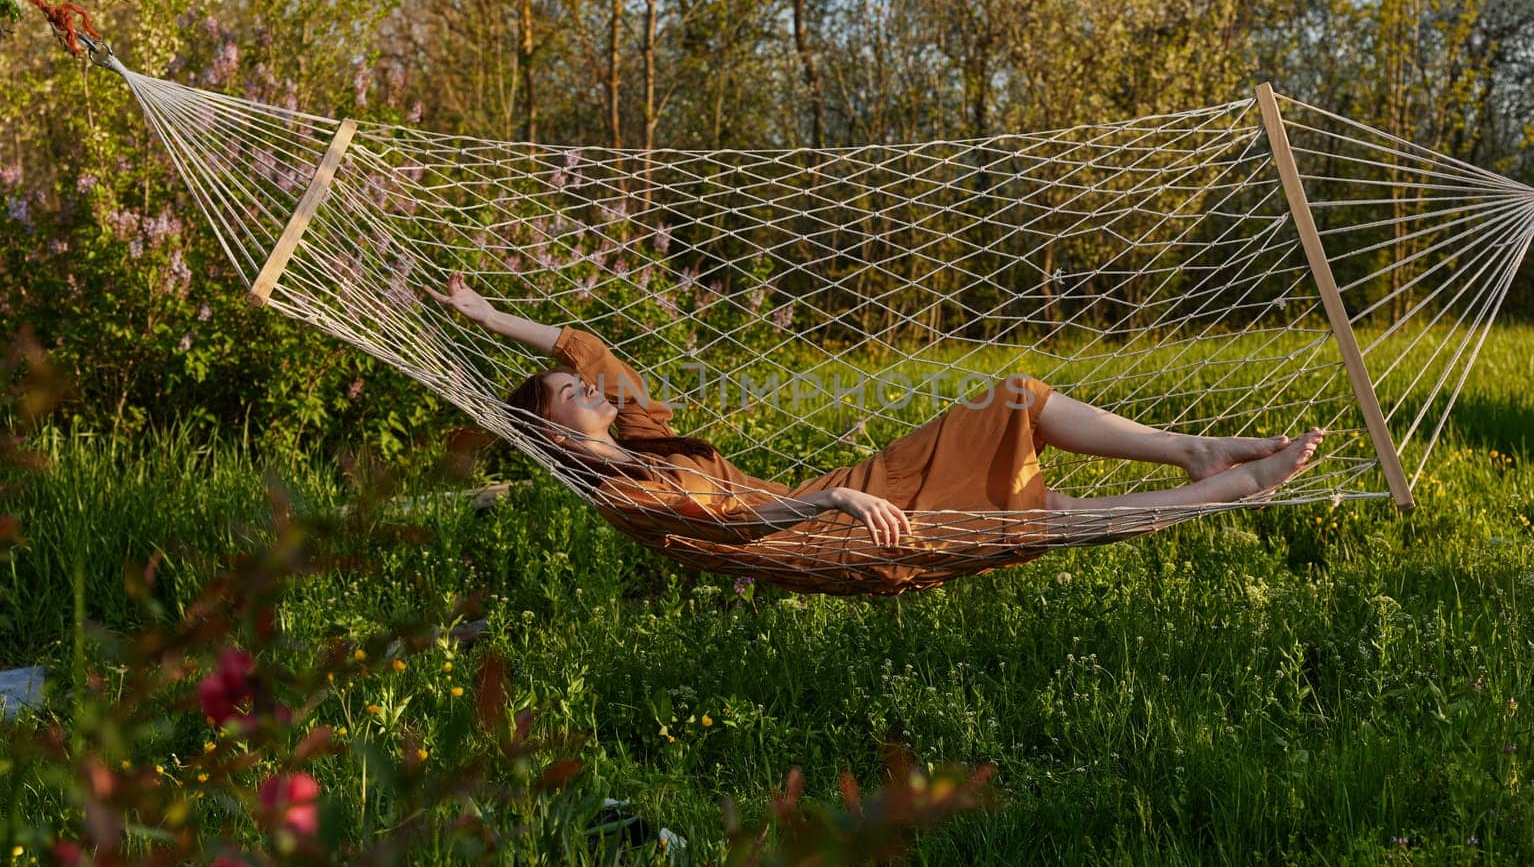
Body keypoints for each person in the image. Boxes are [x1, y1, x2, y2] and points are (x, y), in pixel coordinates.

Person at [424, 271, 1322, 549]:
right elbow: (731, 531)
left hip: (838, 495)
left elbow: (595, 354)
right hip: (824, 534)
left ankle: (1196, 453)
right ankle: (1225, 490)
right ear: (552, 433)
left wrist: (491, 317)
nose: (590, 392)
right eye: (569, 400)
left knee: (1013, 398)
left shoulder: (643, 436)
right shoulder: (625, 491)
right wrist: (827, 503)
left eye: (579, 388)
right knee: (1039, 520)